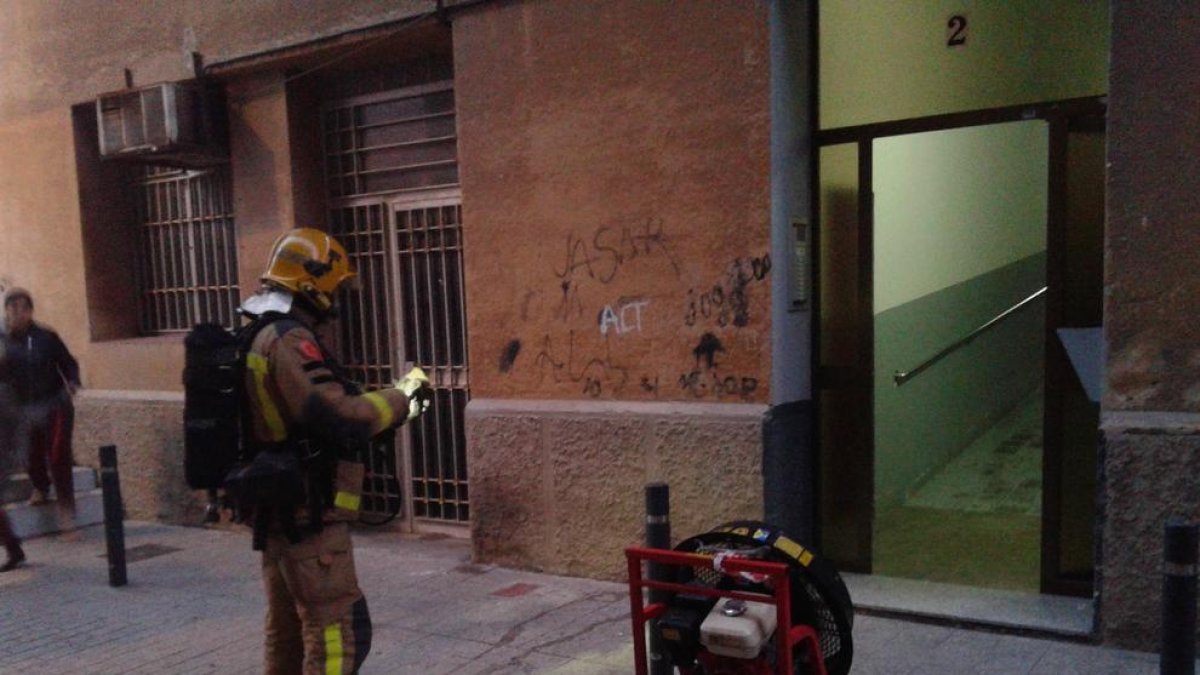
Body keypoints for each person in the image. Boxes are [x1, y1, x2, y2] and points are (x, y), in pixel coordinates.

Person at [236, 228, 431, 675]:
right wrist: (406, 398)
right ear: (312, 283)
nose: (338, 298)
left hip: (283, 515)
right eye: (335, 286)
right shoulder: (286, 339)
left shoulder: (257, 330)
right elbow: (338, 416)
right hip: (308, 517)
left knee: (285, 637)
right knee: (338, 638)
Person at [0, 288, 81, 530]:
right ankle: (41, 486)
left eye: (23, 308)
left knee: (58, 454)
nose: (18, 313)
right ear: (6, 311)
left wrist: (72, 381)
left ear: (30, 311)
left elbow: (67, 362)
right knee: (30, 453)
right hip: (21, 408)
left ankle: (67, 512)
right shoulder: (2, 342)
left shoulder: (46, 337)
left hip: (54, 402)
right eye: (12, 308)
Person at [0, 344, 26, 572]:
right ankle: (13, 545)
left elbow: (17, 426)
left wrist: (18, 454)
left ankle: (13, 546)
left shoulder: (4, 391)